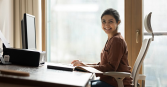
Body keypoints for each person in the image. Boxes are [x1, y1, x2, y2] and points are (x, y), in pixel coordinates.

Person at [71, 8, 132, 87]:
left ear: (118, 22)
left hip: (115, 83)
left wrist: (85, 67)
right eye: (104, 21)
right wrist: (84, 65)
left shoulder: (117, 41)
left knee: (82, 84)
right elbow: (103, 64)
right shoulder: (111, 39)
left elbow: (111, 67)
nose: (106, 25)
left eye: (110, 21)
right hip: (109, 81)